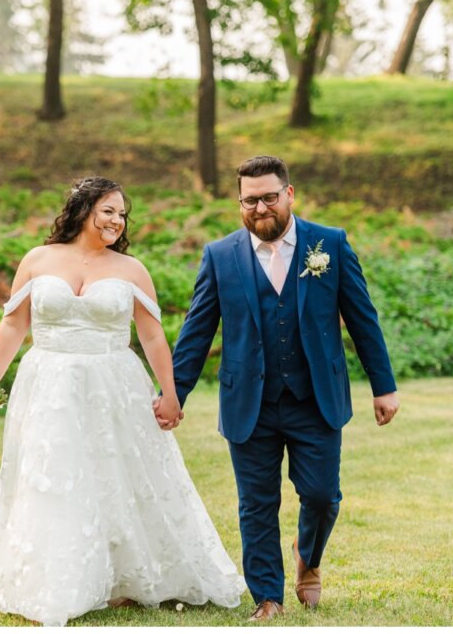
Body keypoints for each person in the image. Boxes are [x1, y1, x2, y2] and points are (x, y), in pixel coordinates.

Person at [0, 176, 245, 627]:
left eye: (122, 214)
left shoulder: (131, 269)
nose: (118, 220)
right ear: (83, 210)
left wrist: (170, 393)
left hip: (114, 383)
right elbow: (14, 326)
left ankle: (125, 577)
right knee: (51, 476)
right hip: (49, 384)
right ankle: (54, 580)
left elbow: (152, 335)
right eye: (109, 211)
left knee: (118, 475)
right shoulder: (38, 260)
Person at [165, 155, 400, 622]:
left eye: (269, 197)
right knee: (257, 503)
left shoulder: (329, 244)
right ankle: (267, 597)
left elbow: (362, 318)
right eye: (249, 200)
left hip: (316, 399)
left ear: (289, 195)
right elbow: (196, 332)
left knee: (321, 496)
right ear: (239, 203)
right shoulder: (220, 255)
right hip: (247, 402)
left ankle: (307, 557)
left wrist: (383, 385)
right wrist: (175, 394)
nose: (259, 208)